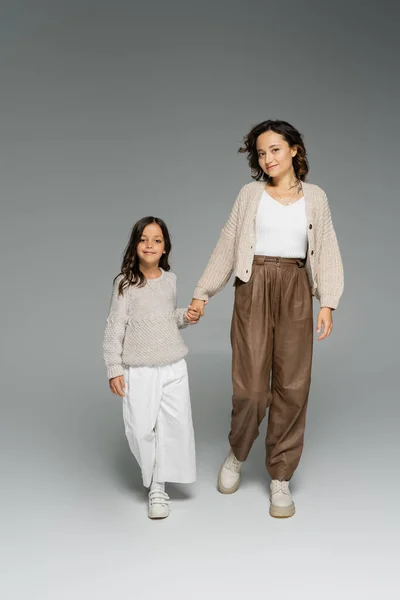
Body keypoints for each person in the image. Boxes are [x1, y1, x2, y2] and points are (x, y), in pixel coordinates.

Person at [190, 119, 344, 518]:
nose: (267, 158)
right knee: (251, 388)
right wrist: (203, 292)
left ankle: (280, 476)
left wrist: (328, 301)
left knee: (293, 385)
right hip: (253, 284)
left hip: (294, 286)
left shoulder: (316, 197)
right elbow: (228, 243)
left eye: (275, 149)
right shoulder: (249, 195)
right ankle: (238, 452)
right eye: (261, 152)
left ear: (294, 150)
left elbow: (325, 249)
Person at [103, 216, 200, 519]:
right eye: (144, 239)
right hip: (140, 367)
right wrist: (114, 367)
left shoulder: (170, 280)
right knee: (141, 428)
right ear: (135, 244)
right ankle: (153, 476)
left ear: (165, 248)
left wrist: (188, 316)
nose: (150, 244)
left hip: (173, 364)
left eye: (157, 240)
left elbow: (167, 318)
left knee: (176, 425)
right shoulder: (125, 284)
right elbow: (114, 327)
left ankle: (159, 486)